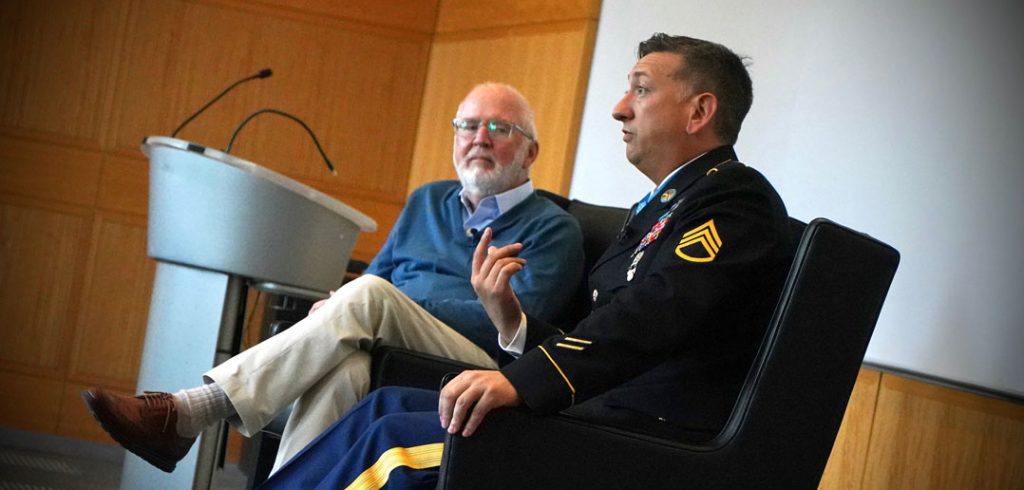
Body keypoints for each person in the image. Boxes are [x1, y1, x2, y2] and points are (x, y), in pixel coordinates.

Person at [258, 33, 797, 489]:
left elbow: (652, 317)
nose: (620, 107)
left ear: (699, 111)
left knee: (390, 441)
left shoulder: (734, 198)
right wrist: (512, 321)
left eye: (641, 89)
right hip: (596, 406)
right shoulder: (661, 206)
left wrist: (524, 381)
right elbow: (600, 333)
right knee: (383, 407)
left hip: (646, 431)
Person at [81, 83, 584, 473]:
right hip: (389, 344)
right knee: (345, 368)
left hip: (482, 371)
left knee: (369, 296)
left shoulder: (554, 228)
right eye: (468, 125)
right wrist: (344, 308)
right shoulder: (427, 200)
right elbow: (377, 276)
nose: (479, 137)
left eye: (499, 128)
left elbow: (517, 326)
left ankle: (192, 410)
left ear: (530, 152)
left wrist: (373, 305)